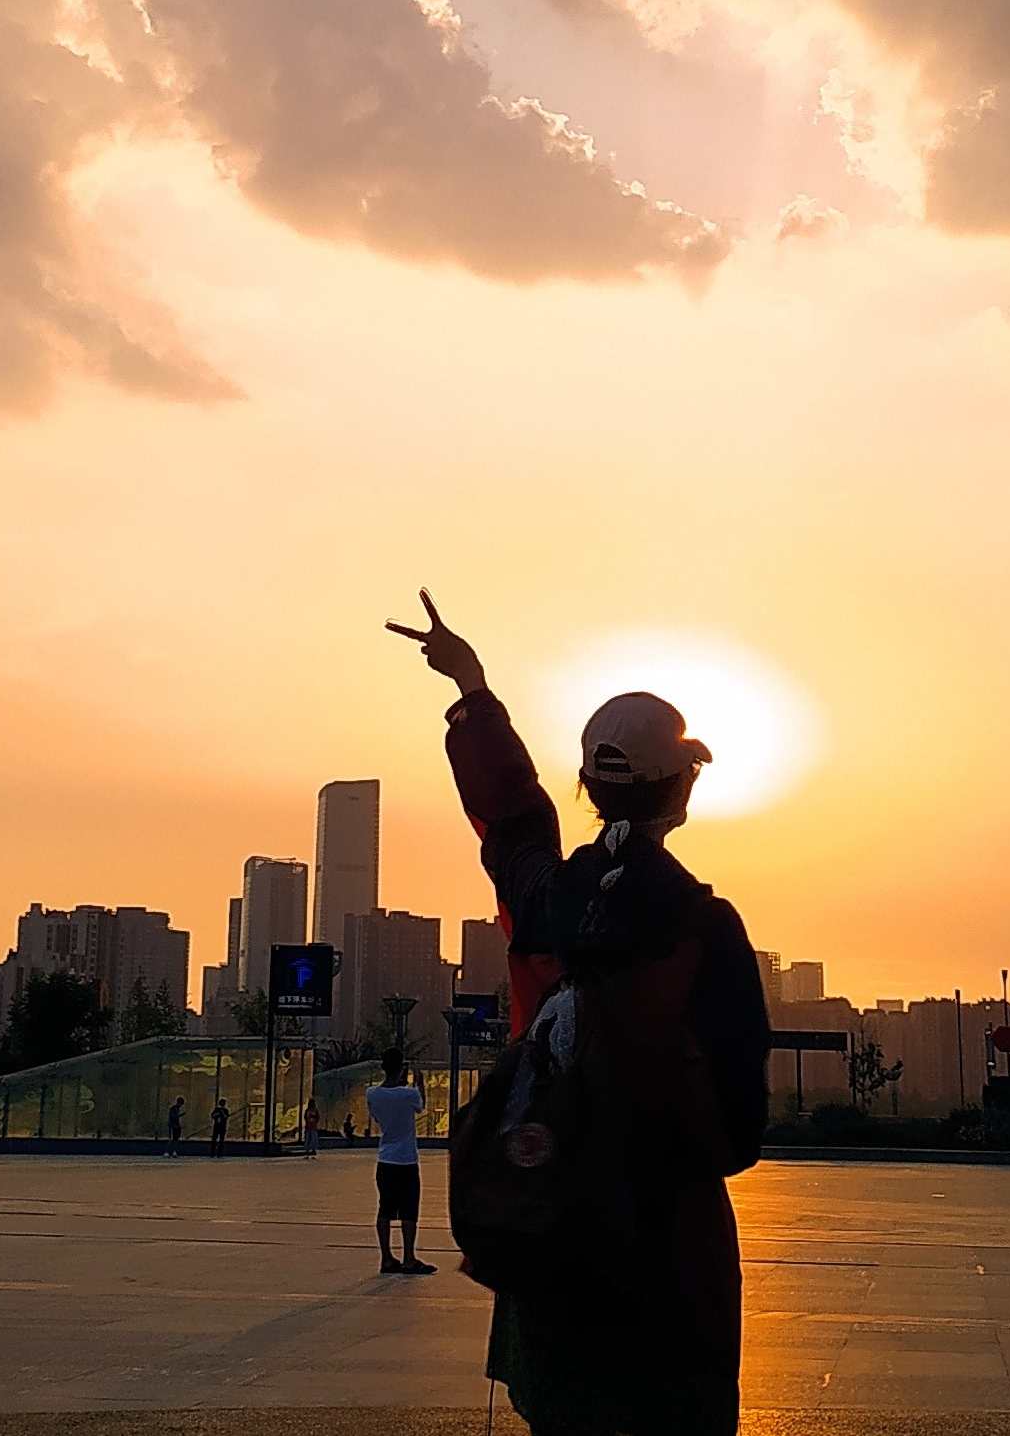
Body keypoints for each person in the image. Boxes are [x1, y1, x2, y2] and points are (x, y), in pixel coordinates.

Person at [390, 591, 773, 1436]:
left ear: (589, 789)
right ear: (682, 790)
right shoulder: (705, 929)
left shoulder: (544, 897)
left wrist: (472, 687)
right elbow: (735, 1136)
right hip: (665, 1262)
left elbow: (511, 819)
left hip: (550, 1229)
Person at [365, 1049, 434, 1273]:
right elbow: (421, 1105)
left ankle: (386, 1257)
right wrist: (420, 1082)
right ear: (402, 1068)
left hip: (385, 1159)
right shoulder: (409, 1094)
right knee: (408, 1210)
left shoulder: (372, 1093)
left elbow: (376, 1117)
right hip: (406, 1160)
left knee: (384, 1209)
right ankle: (409, 1258)